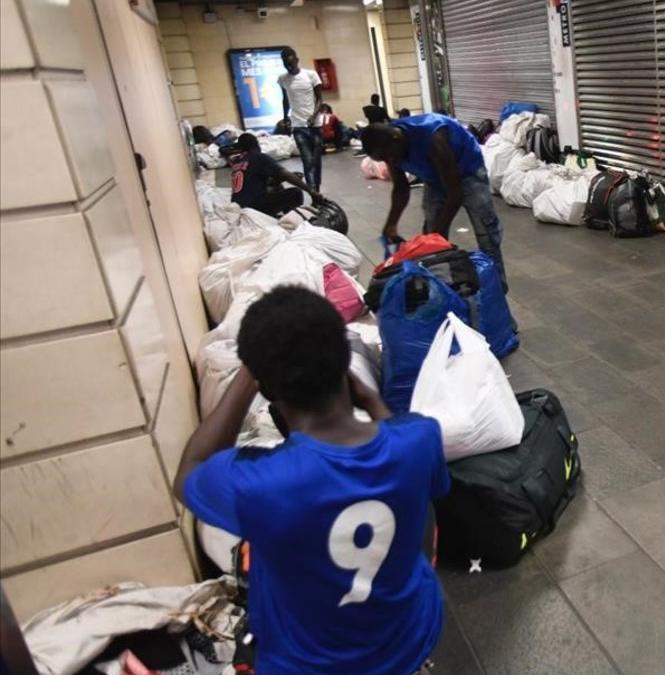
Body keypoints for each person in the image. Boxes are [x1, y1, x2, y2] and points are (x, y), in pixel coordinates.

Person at [174, 286, 448, 675]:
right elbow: (400, 440)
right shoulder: (420, 439)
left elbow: (189, 473)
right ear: (346, 366)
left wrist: (248, 374)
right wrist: (371, 401)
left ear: (267, 389)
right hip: (408, 640)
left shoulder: (263, 484)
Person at [362, 114, 507, 289]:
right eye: (383, 159)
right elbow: (401, 188)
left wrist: (437, 235)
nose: (390, 161)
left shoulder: (433, 139)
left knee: (486, 232)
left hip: (468, 171)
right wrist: (391, 224)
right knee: (431, 234)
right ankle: (441, 286)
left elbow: (455, 194)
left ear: (397, 138)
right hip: (434, 176)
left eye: (388, 156)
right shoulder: (391, 148)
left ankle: (497, 286)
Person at [227, 134, 321, 216]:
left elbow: (260, 180)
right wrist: (311, 191)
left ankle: (284, 215)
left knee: (277, 186)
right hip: (253, 206)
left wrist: (282, 179)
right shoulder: (259, 157)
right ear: (256, 144)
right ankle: (292, 221)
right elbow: (285, 174)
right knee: (295, 193)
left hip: (238, 205)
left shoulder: (237, 161)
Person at [279, 46, 324, 192]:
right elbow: (285, 100)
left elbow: (320, 100)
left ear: (297, 60)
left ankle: (317, 188)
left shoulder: (311, 75)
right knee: (307, 160)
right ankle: (313, 192)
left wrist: (313, 116)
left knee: (316, 161)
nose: (289, 67)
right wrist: (285, 118)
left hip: (315, 125)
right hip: (298, 125)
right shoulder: (283, 79)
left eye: (291, 63)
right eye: (286, 65)